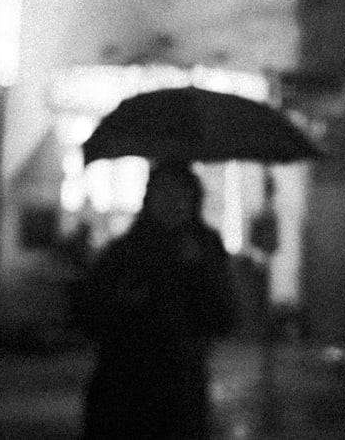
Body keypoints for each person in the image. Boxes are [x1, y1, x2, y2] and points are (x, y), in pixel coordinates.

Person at [76, 160, 238, 440]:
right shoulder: (125, 251)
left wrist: (198, 270)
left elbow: (222, 317)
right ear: (149, 197)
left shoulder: (205, 246)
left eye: (181, 194)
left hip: (180, 386)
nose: (172, 202)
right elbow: (90, 314)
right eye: (163, 192)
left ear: (193, 199)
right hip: (123, 387)